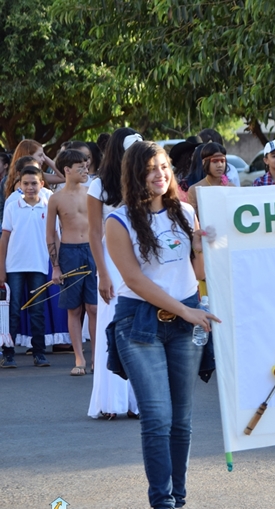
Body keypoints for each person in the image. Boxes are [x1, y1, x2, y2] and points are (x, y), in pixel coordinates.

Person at [106, 140, 219, 509]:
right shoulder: (117, 221)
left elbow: (198, 267)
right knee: (157, 416)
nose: (160, 174)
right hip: (139, 323)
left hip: (184, 323)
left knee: (181, 421)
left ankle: (179, 506)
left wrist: (202, 243)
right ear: (135, 173)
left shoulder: (185, 212)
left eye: (164, 167)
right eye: (151, 168)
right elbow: (134, 280)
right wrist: (189, 311)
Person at [87, 127, 142, 420]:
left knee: (139, 328)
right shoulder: (98, 186)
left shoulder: (143, 182)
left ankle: (136, 401)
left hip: (141, 260)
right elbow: (94, 234)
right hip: (110, 262)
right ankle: (111, 401)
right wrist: (103, 274)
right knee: (112, 328)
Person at [46, 149, 97, 376]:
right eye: (80, 167)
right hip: (69, 253)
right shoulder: (55, 198)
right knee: (74, 309)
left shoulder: (92, 193)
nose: (85, 170)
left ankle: (97, 356)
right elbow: (50, 235)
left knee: (94, 307)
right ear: (67, 170)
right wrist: (56, 266)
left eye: (86, 166)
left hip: (92, 251)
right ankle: (79, 357)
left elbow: (102, 226)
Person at [0, 166, 52, 367]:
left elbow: (53, 238)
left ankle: (39, 352)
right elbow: (4, 239)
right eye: (25, 183)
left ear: (42, 184)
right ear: (19, 185)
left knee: (37, 311)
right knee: (12, 311)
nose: (30, 187)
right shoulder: (13, 206)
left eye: (33, 183)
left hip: (38, 265)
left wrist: (55, 264)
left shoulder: (47, 207)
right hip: (14, 266)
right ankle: (9, 353)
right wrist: (1, 268)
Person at [186, 143, 233, 212]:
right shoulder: (194, 190)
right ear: (204, 162)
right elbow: (192, 219)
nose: (219, 165)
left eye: (222, 161)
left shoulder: (232, 188)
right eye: (215, 161)